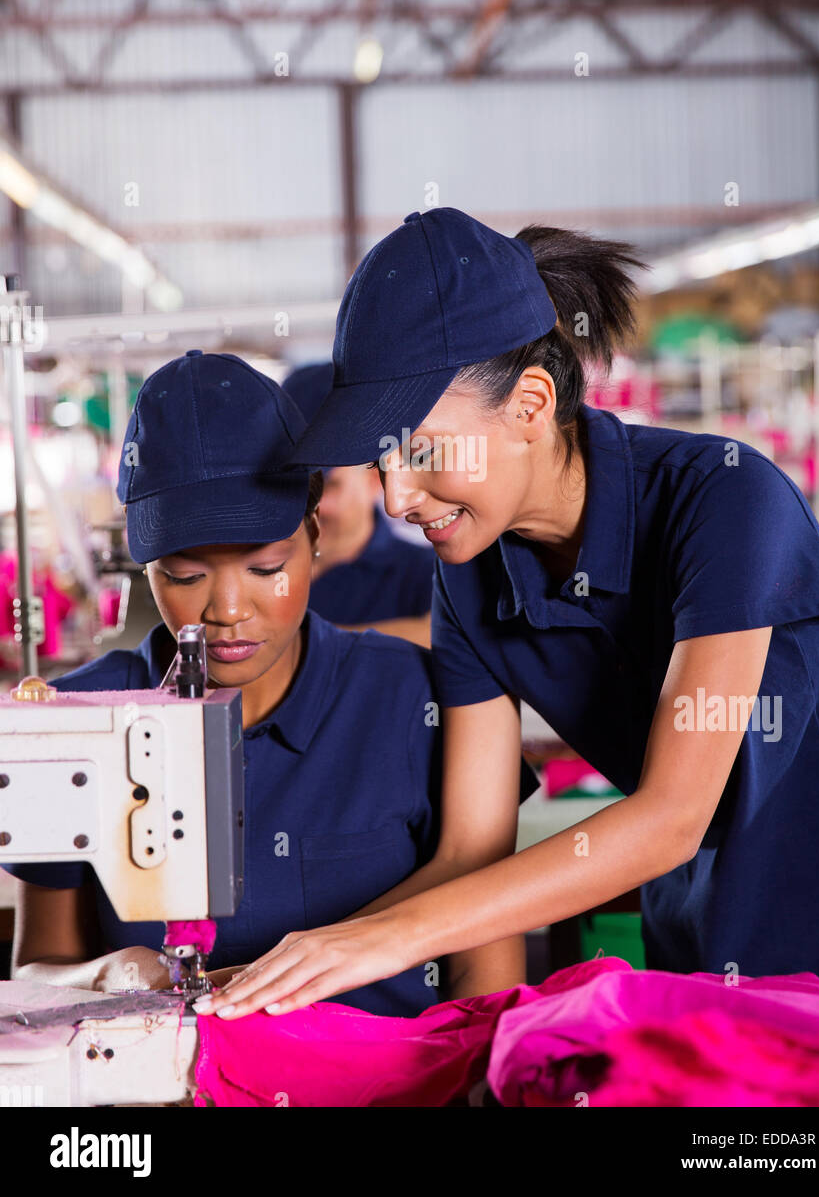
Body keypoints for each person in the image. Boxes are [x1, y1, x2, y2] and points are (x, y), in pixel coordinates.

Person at [196, 206, 819, 1025]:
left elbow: (669, 820)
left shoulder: (728, 502)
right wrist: (268, 972)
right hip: (691, 957)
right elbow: (471, 850)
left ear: (530, 405)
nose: (399, 497)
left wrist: (383, 943)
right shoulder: (469, 581)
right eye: (380, 462)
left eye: (425, 451)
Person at [3, 348, 531, 1014]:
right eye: (186, 576)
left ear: (314, 536)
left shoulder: (412, 698)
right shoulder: (78, 716)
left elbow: (487, 977)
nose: (226, 610)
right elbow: (36, 968)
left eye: (264, 567)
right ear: (146, 571)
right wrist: (108, 972)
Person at [282, 363, 433, 645]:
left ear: (376, 478)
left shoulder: (426, 575)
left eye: (327, 487)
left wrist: (294, 645)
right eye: (292, 486)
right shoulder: (254, 565)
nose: (307, 507)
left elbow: (453, 642)